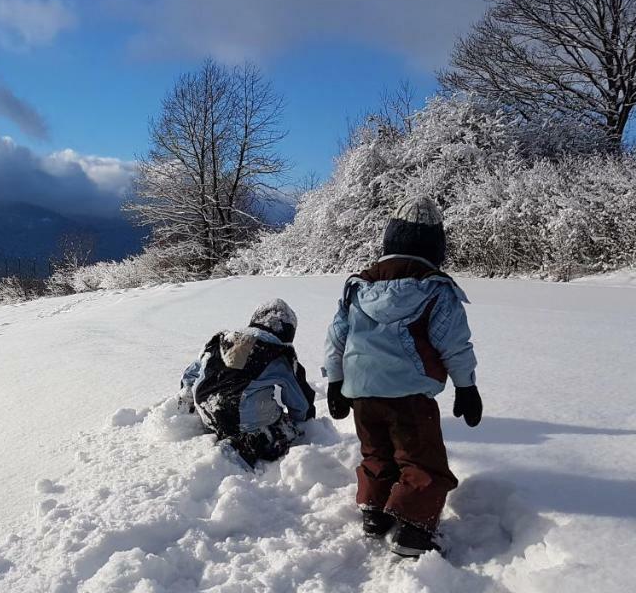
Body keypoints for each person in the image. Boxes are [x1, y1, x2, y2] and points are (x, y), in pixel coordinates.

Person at [323, 195, 483, 558]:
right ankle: (412, 530)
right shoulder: (436, 291)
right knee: (420, 460)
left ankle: (375, 512)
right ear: (436, 247)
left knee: (376, 452)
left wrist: (335, 381)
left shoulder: (357, 286)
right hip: (410, 396)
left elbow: (336, 337)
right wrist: (466, 387)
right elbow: (454, 344)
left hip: (362, 391)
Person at [180, 299, 316, 469]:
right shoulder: (279, 353)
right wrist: (305, 421)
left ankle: (226, 433)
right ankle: (243, 447)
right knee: (283, 431)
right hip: (241, 420)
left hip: (207, 411)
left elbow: (190, 373)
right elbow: (300, 401)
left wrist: (186, 394)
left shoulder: (221, 340)